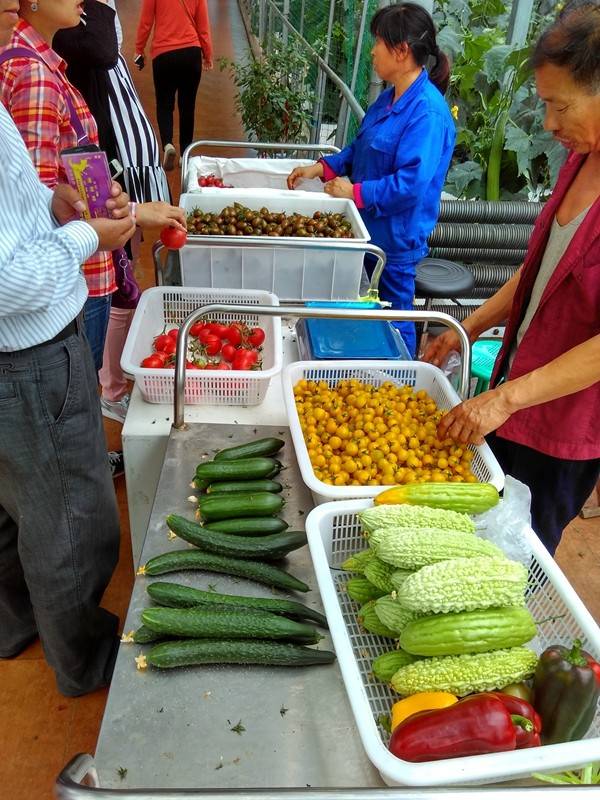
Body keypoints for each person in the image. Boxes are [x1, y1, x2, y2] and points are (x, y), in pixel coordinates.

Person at [422, 2, 600, 557]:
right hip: (514, 391)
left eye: (559, 105)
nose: (548, 123)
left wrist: (504, 401)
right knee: (481, 529)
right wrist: (465, 328)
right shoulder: (581, 157)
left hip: (561, 426)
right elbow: (539, 274)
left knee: (519, 556)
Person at [0, 0, 135, 695]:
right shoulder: (28, 75)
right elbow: (7, 277)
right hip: (25, 354)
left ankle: (14, 622)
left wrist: (56, 205)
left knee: (20, 503)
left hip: (20, 352)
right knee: (68, 518)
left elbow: (12, 205)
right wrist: (91, 238)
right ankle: (81, 659)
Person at [287, 3, 455, 357]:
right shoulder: (389, 98)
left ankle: (402, 377)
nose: (372, 50)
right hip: (365, 230)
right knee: (364, 305)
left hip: (395, 239)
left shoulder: (426, 113)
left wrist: (355, 192)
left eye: (378, 42)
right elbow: (362, 149)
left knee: (394, 315)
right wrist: (321, 168)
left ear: (402, 51)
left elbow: (410, 184)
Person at [53, 0, 175, 424]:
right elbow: (105, 50)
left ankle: (110, 381)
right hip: (101, 185)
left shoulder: (59, 49)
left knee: (124, 273)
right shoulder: (59, 46)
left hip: (119, 175)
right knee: (116, 281)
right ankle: (111, 385)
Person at [135, 0, 213, 171]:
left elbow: (146, 22)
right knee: (187, 107)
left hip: (163, 55)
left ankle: (168, 144)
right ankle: (185, 153)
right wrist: (208, 54)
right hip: (191, 53)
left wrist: (139, 49)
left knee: (164, 104)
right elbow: (203, 25)